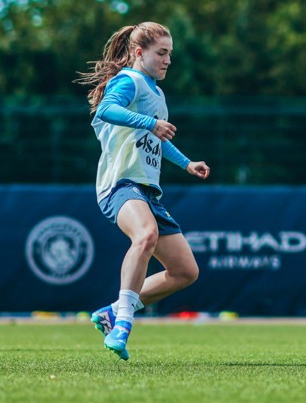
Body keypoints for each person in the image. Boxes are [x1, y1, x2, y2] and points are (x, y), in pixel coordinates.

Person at [78, 22, 210, 361]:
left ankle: (111, 312)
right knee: (146, 235)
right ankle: (122, 324)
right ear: (139, 53)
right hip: (119, 184)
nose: (168, 61)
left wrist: (186, 163)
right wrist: (150, 123)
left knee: (185, 272)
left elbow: (158, 140)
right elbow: (107, 109)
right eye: (161, 53)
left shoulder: (157, 94)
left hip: (147, 191)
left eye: (169, 54)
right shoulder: (128, 81)